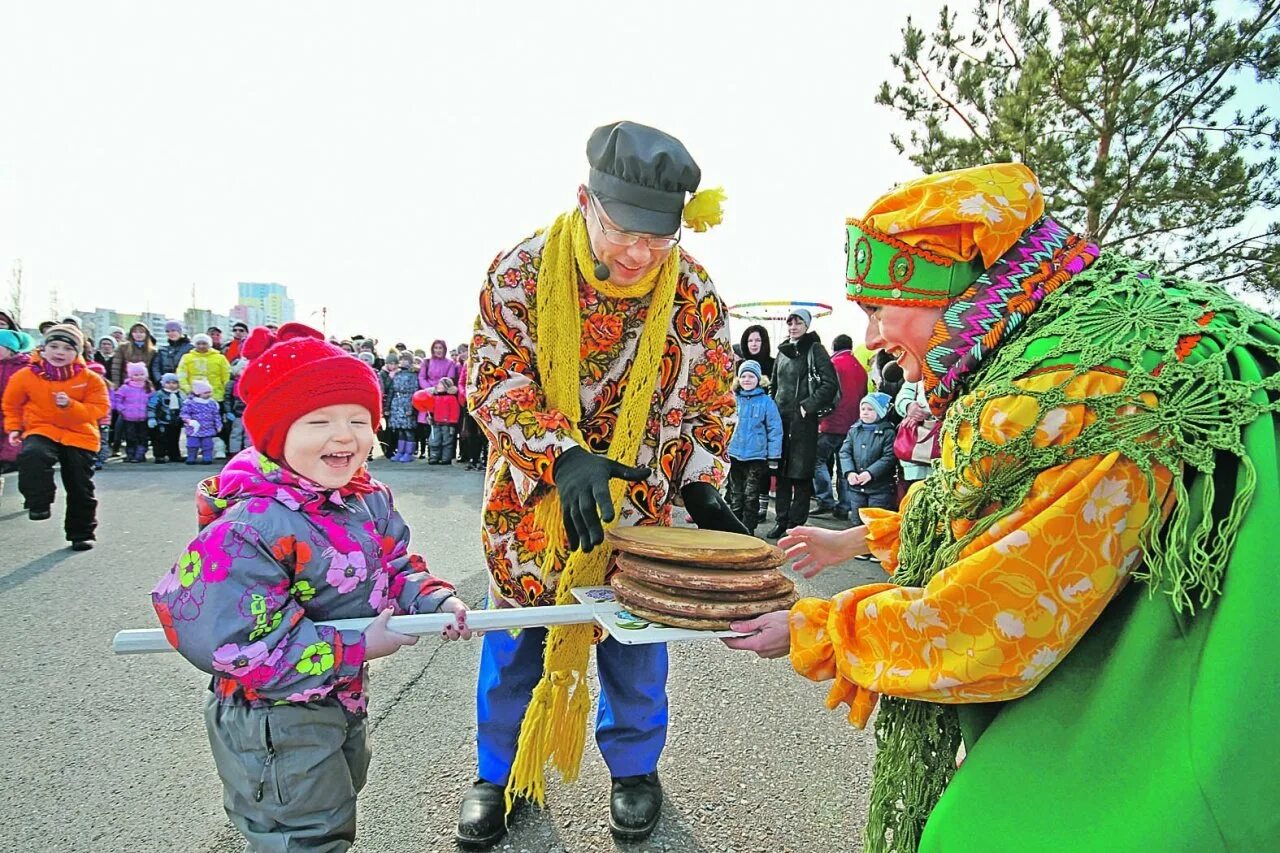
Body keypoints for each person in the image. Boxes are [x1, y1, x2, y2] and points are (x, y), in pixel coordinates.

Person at [726, 163, 1280, 851]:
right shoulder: (1113, 325)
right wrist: (858, 543)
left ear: (944, 288)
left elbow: (988, 624)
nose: (870, 340)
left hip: (1199, 711)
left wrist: (816, 627)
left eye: (875, 309)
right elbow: (1024, 514)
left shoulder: (1061, 391)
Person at [460, 121, 740, 848]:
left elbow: (711, 399)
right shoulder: (521, 270)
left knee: (636, 648)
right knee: (516, 645)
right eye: (623, 233)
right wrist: (561, 454)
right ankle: (500, 773)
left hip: (643, 506)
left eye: (658, 239)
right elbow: (493, 380)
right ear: (586, 201)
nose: (639, 254)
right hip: (536, 506)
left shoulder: (694, 292)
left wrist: (705, 485)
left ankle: (635, 769)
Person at [150, 322, 473, 852]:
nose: (344, 435)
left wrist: (432, 597)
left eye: (359, 419)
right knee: (302, 832)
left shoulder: (367, 497)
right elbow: (239, 644)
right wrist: (358, 646)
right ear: (276, 434)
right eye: (319, 420)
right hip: (272, 716)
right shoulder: (248, 526)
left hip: (338, 696)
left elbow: (394, 563)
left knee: (336, 800)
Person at [2, 323, 109, 550]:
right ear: (44, 348)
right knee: (32, 454)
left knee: (80, 486)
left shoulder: (90, 378)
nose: (60, 352)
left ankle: (81, 533)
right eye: (54, 346)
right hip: (42, 428)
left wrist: (70, 406)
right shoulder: (26, 376)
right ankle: (38, 502)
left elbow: (99, 409)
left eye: (68, 349)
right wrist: (14, 428)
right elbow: (11, 404)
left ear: (78, 353)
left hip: (80, 434)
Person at [766, 308, 838, 538]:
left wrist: (808, 405)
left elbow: (829, 383)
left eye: (798, 323)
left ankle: (796, 524)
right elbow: (774, 385)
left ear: (806, 325)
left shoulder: (815, 349)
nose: (793, 327)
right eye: (790, 323)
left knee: (801, 474)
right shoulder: (782, 352)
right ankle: (781, 520)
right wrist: (772, 409)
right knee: (783, 473)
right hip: (782, 421)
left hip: (804, 422)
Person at [812, 333, 868, 520]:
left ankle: (826, 500)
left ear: (833, 347)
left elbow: (825, 392)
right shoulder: (860, 368)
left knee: (816, 461)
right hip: (852, 424)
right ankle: (844, 505)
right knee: (844, 466)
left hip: (831, 422)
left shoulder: (833, 365)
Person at [726, 359, 782, 535]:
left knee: (751, 495)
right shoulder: (733, 400)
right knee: (735, 494)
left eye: (751, 376)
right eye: (743, 376)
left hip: (756, 457)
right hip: (734, 454)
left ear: (759, 379)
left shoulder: (766, 402)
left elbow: (775, 430)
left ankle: (748, 529)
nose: (747, 379)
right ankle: (734, 529)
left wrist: (773, 456)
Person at [838, 392, 896, 521]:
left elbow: (889, 457)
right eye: (863, 409)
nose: (865, 412)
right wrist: (849, 472)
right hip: (856, 488)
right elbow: (844, 452)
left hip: (880, 488)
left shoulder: (888, 433)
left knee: (875, 522)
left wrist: (870, 473)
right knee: (857, 520)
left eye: (870, 409)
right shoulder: (854, 430)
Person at [0, 328, 36, 506]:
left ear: (11, 348)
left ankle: (32, 495)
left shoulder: (26, 367)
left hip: (19, 420)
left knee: (23, 462)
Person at [893, 379, 933, 502]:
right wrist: (908, 406)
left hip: (945, 454)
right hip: (914, 458)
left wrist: (928, 410)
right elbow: (902, 397)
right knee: (912, 500)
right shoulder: (918, 374)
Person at [113, 362, 153, 463]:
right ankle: (130, 454)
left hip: (143, 417)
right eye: (136, 375)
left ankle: (140, 454)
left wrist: (150, 411)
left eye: (141, 374)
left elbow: (153, 401)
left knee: (143, 437)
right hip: (129, 417)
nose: (139, 377)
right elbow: (117, 399)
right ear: (131, 375)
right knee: (130, 436)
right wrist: (122, 409)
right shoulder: (125, 387)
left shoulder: (148, 387)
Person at [176, 333, 231, 402]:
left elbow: (226, 375)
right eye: (198, 344)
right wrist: (187, 389)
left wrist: (225, 391)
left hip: (216, 396)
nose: (201, 346)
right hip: (194, 395)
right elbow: (181, 375)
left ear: (209, 344)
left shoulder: (220, 358)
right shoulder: (187, 357)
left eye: (204, 343)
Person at [385, 352, 419, 463]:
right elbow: (390, 390)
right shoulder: (396, 374)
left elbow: (414, 391)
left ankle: (409, 452)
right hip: (396, 403)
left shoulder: (413, 375)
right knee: (399, 430)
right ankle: (400, 451)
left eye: (406, 359)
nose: (403, 362)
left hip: (407, 402)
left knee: (408, 430)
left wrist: (411, 408)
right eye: (402, 359)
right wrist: (388, 407)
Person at [180, 378, 222, 465]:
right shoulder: (190, 402)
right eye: (206, 393)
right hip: (194, 429)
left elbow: (216, 415)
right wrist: (188, 421)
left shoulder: (212, 403)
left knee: (208, 445)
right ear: (198, 393)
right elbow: (184, 413)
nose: (209, 394)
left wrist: (218, 425)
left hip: (208, 428)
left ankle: (207, 457)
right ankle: (191, 457)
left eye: (209, 392)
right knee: (192, 444)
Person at [148, 372, 186, 464]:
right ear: (163, 383)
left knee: (174, 439)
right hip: (162, 421)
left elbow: (185, 407)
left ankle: (174, 455)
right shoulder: (158, 394)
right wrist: (151, 418)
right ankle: (159, 455)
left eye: (174, 383)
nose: (171, 385)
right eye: (168, 383)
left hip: (176, 421)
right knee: (160, 439)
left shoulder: (181, 395)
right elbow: (152, 406)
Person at [426, 376, 462, 465]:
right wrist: (429, 416)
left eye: (441, 385)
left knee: (447, 441)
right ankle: (434, 457)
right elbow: (431, 409)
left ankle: (446, 458)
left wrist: (452, 422)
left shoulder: (451, 398)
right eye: (438, 384)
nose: (438, 386)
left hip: (448, 424)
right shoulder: (434, 397)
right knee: (434, 440)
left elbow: (455, 411)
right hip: (436, 422)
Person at [150, 321, 192, 386]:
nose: (170, 333)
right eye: (167, 331)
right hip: (165, 385)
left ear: (180, 331)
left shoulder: (190, 348)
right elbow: (155, 368)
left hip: (184, 384)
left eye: (173, 330)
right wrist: (160, 381)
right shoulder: (162, 350)